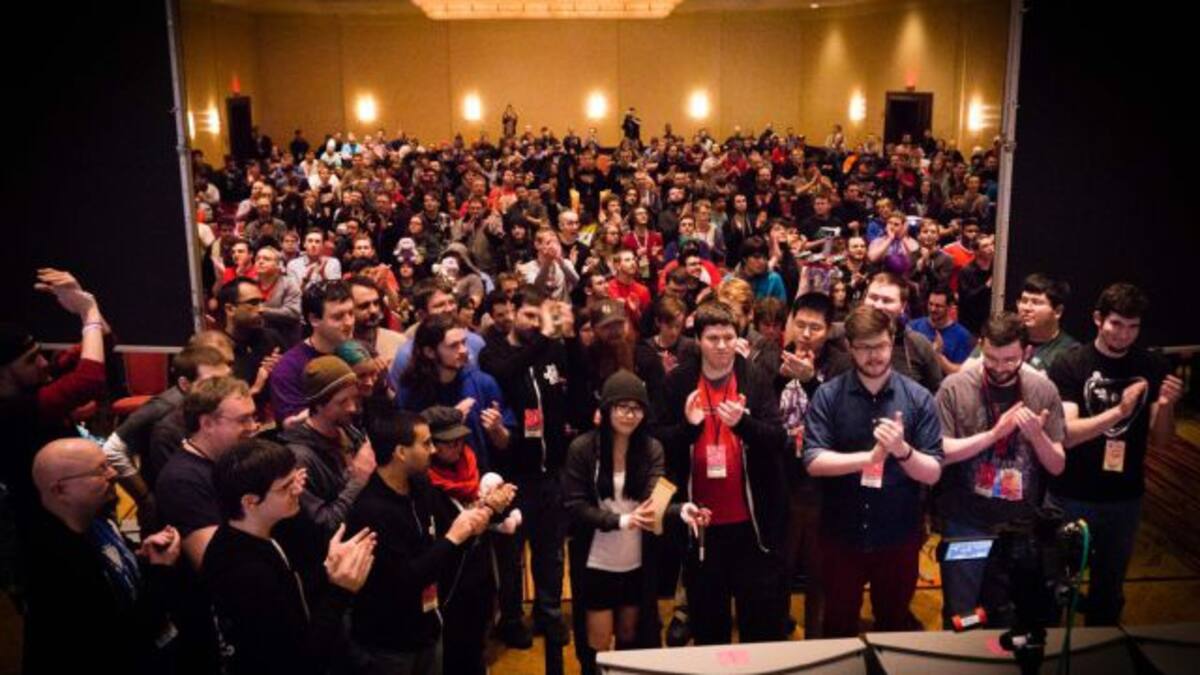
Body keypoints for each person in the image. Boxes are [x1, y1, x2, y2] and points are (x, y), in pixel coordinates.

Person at [653, 301, 789, 645]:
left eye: (729, 337)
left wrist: (743, 424)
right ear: (698, 340)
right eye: (713, 338)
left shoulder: (754, 378)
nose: (722, 345)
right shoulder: (678, 381)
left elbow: (778, 438)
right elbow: (657, 443)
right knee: (709, 626)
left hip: (751, 526)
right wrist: (688, 428)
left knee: (759, 625)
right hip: (701, 525)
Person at [802, 305, 943, 638]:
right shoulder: (829, 395)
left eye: (880, 345)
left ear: (891, 341)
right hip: (841, 535)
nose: (874, 355)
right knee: (837, 627)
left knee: (893, 626)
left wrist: (902, 450)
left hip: (898, 535)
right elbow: (813, 460)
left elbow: (933, 472)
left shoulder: (918, 398)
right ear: (850, 347)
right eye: (864, 347)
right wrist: (868, 458)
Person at [1046, 283, 1182, 625]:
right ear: (1098, 319)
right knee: (1055, 588)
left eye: (1133, 327)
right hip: (1072, 493)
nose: (1123, 334)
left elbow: (1162, 441)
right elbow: (1067, 435)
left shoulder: (1152, 365)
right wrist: (1119, 412)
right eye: (1116, 324)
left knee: (1108, 593)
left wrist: (1166, 406)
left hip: (1124, 498)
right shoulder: (1070, 364)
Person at [563, 371, 709, 674]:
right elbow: (576, 507)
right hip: (596, 561)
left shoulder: (651, 448)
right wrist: (620, 520)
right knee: (598, 643)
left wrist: (681, 510)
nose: (629, 415)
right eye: (622, 407)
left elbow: (654, 499)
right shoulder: (583, 448)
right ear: (607, 408)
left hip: (636, 563)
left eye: (636, 408)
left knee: (630, 636)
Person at [935, 312, 1066, 628]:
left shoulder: (1043, 390)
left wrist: (1037, 436)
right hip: (966, 520)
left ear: (1027, 353)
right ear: (981, 346)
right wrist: (994, 435)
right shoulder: (954, 387)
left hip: (1021, 525)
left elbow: (1057, 465)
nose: (999, 368)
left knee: (1010, 615)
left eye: (1010, 360)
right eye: (991, 358)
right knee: (962, 614)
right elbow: (940, 454)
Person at [203, 438, 377, 675]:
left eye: (296, 479)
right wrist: (341, 591)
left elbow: (295, 587)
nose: (298, 490)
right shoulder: (241, 569)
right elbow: (297, 656)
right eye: (285, 487)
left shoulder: (270, 526)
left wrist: (328, 567)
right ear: (250, 501)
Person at [345, 409, 493, 675]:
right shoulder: (370, 511)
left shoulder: (421, 487)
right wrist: (454, 537)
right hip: (391, 644)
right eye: (425, 444)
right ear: (401, 452)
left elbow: (441, 549)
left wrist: (472, 528)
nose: (433, 450)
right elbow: (404, 579)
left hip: (427, 628)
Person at [23, 438, 181, 673]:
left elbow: (119, 578)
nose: (114, 473)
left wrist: (142, 558)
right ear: (60, 490)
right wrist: (162, 570)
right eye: (100, 470)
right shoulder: (54, 565)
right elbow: (120, 636)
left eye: (109, 464)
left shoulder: (97, 521)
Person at [479, 286, 572, 647]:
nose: (535, 324)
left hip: (552, 469)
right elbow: (507, 372)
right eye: (529, 315)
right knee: (511, 554)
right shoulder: (493, 353)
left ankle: (549, 614)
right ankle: (512, 618)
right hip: (513, 474)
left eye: (540, 317)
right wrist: (544, 336)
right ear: (512, 311)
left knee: (551, 551)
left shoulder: (552, 350)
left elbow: (568, 385)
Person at [0, 269, 107, 554]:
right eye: (31, 360)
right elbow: (89, 380)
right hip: (47, 531)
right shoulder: (11, 412)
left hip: (78, 511)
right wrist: (89, 311)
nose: (44, 363)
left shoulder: (33, 384)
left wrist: (83, 304)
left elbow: (103, 345)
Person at [776, 292, 853, 638]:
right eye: (801, 325)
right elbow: (762, 412)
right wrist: (780, 378)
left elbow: (843, 418)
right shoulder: (773, 355)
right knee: (780, 566)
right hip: (781, 478)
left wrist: (809, 380)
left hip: (824, 483)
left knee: (819, 571)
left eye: (815, 328)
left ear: (829, 329)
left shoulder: (841, 364)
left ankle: (817, 640)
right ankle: (775, 633)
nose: (806, 334)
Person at [422, 406, 518, 675]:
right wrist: (485, 509)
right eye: (448, 442)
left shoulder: (471, 463)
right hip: (449, 582)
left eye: (460, 439)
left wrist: (500, 503)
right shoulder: (423, 483)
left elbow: (494, 513)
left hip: (480, 572)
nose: (457, 446)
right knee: (452, 652)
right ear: (431, 445)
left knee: (477, 643)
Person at [395, 313, 513, 472]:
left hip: (479, 477)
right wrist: (449, 422)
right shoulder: (411, 390)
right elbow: (404, 447)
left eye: (464, 342)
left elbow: (504, 444)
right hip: (430, 479)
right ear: (429, 352)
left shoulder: (483, 383)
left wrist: (497, 430)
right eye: (453, 346)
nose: (464, 350)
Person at [280, 355, 375, 538]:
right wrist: (358, 482)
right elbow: (323, 525)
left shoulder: (348, 429)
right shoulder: (300, 459)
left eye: (354, 398)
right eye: (342, 402)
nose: (352, 408)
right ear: (318, 405)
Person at [269, 280, 355, 424]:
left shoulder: (357, 351)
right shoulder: (289, 367)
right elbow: (290, 425)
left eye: (351, 313)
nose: (349, 322)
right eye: (338, 317)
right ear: (314, 319)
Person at [862, 272, 944, 393]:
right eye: (873, 297)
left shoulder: (918, 344)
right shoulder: (843, 338)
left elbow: (935, 393)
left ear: (903, 307)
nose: (878, 305)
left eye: (887, 300)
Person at [1015, 273, 1078, 372]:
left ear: (1058, 311)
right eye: (1024, 301)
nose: (1027, 308)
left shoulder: (1071, 353)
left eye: (1036, 302)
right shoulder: (1008, 340)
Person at [909, 286, 974, 375]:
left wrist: (937, 355)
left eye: (938, 306)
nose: (933, 309)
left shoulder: (962, 336)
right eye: (930, 304)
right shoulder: (913, 326)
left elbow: (961, 373)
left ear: (949, 307)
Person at [254, 244, 304, 345]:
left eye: (266, 259)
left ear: (278, 265)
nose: (260, 261)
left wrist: (262, 310)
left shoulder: (289, 284)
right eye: (258, 258)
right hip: (257, 338)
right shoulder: (251, 284)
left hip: (285, 339)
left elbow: (294, 313)